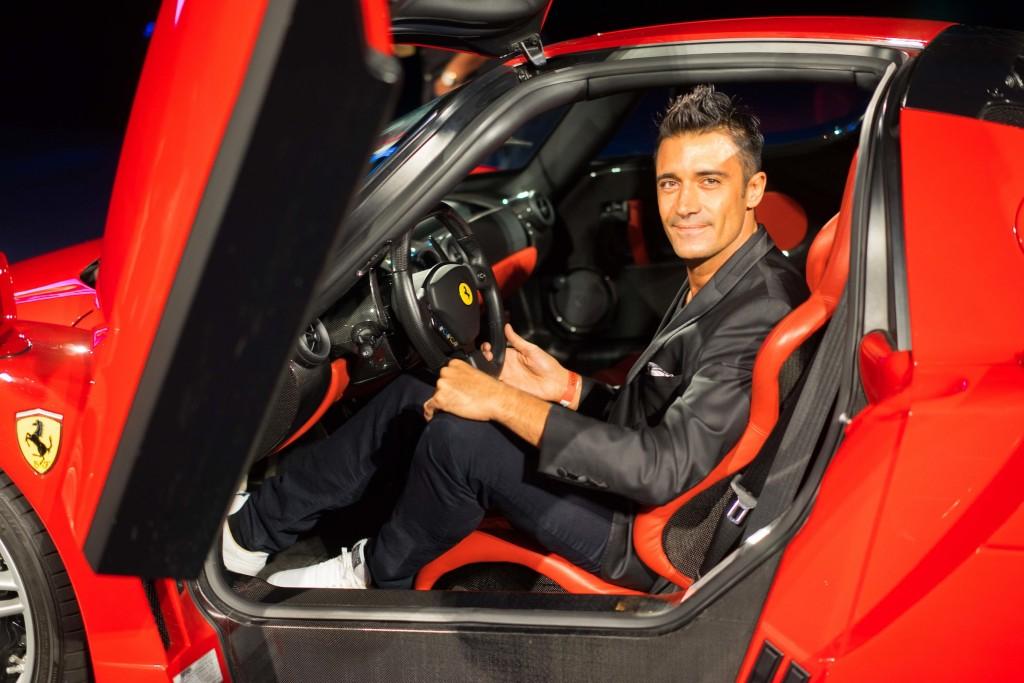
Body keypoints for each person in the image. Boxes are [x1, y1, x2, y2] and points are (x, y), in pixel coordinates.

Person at [222, 84, 808, 590]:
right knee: (428, 386)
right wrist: (571, 389)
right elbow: (667, 413)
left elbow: (661, 469)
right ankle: (253, 531)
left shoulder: (755, 313)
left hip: (645, 533)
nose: (684, 206)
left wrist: (508, 403)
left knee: (460, 440)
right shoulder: (731, 274)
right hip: (641, 496)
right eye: (669, 183)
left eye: (709, 181)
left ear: (753, 189)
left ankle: (375, 574)